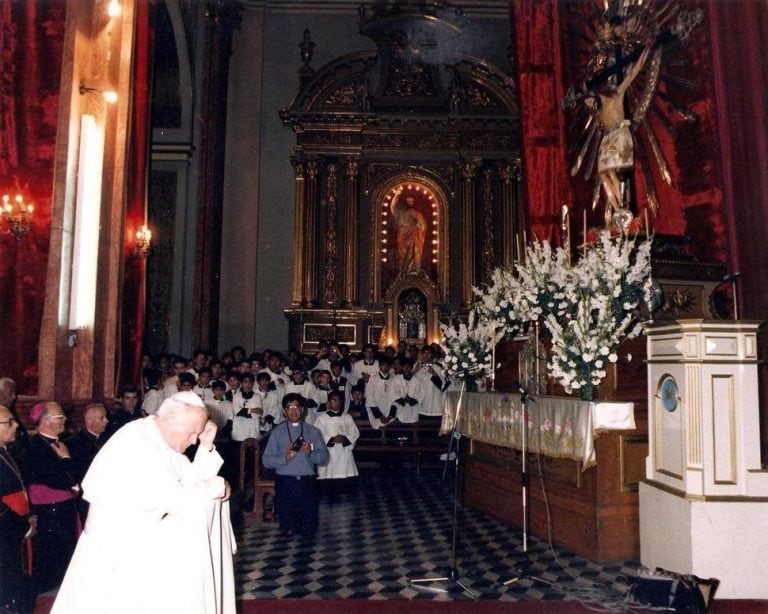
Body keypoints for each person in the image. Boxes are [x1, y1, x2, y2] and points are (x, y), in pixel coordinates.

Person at [52, 392, 236, 614]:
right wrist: (216, 486)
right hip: (117, 555)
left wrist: (206, 447)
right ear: (170, 419)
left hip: (138, 551)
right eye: (193, 432)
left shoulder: (160, 439)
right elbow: (176, 497)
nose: (194, 440)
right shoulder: (137, 442)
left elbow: (188, 479)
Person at [585, 44, 651, 221]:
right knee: (603, 173)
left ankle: (623, 205)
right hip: (608, 137)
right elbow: (586, 100)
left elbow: (632, 74)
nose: (591, 104)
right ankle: (618, 210)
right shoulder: (598, 108)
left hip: (619, 132)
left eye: (592, 100)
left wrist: (643, 55)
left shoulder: (617, 94)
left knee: (611, 170)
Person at [21, 401, 79, 594]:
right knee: (52, 559)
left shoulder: (58, 442)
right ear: (46, 422)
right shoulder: (36, 447)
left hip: (61, 508)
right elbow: (64, 480)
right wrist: (65, 458)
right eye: (60, 416)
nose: (65, 419)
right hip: (51, 512)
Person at [263, 393, 328, 539]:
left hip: (307, 481)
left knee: (309, 528)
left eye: (297, 407)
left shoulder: (313, 431)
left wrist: (310, 452)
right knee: (287, 528)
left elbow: (323, 458)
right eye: (289, 408)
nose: (293, 411)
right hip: (285, 481)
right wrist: (284, 458)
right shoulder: (277, 432)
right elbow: (266, 460)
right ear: (284, 411)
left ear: (303, 410)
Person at [0, 404, 36, 613]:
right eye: (9, 423)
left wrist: (28, 518)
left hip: (14, 530)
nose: (16, 426)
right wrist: (23, 526)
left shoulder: (5, 451)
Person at [67, 403, 108, 523]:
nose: (106, 420)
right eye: (102, 418)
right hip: (88, 496)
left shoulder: (105, 438)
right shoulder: (76, 443)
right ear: (89, 421)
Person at [314, 392, 359, 485]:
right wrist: (331, 439)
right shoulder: (321, 419)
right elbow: (317, 434)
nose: (337, 403)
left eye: (339, 400)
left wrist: (344, 439)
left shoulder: (347, 417)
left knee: (344, 471)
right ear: (329, 402)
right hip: (329, 449)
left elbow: (354, 432)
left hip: (343, 449)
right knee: (328, 470)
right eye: (334, 400)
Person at [391, 188, 427, 271]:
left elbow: (423, 226)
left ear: (414, 202)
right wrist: (397, 194)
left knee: (415, 256)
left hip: (414, 239)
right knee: (403, 257)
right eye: (407, 201)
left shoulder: (418, 214)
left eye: (411, 201)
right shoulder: (401, 213)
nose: (409, 203)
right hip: (403, 239)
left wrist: (418, 226)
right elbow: (393, 208)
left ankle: (414, 272)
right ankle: (403, 273)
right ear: (405, 202)